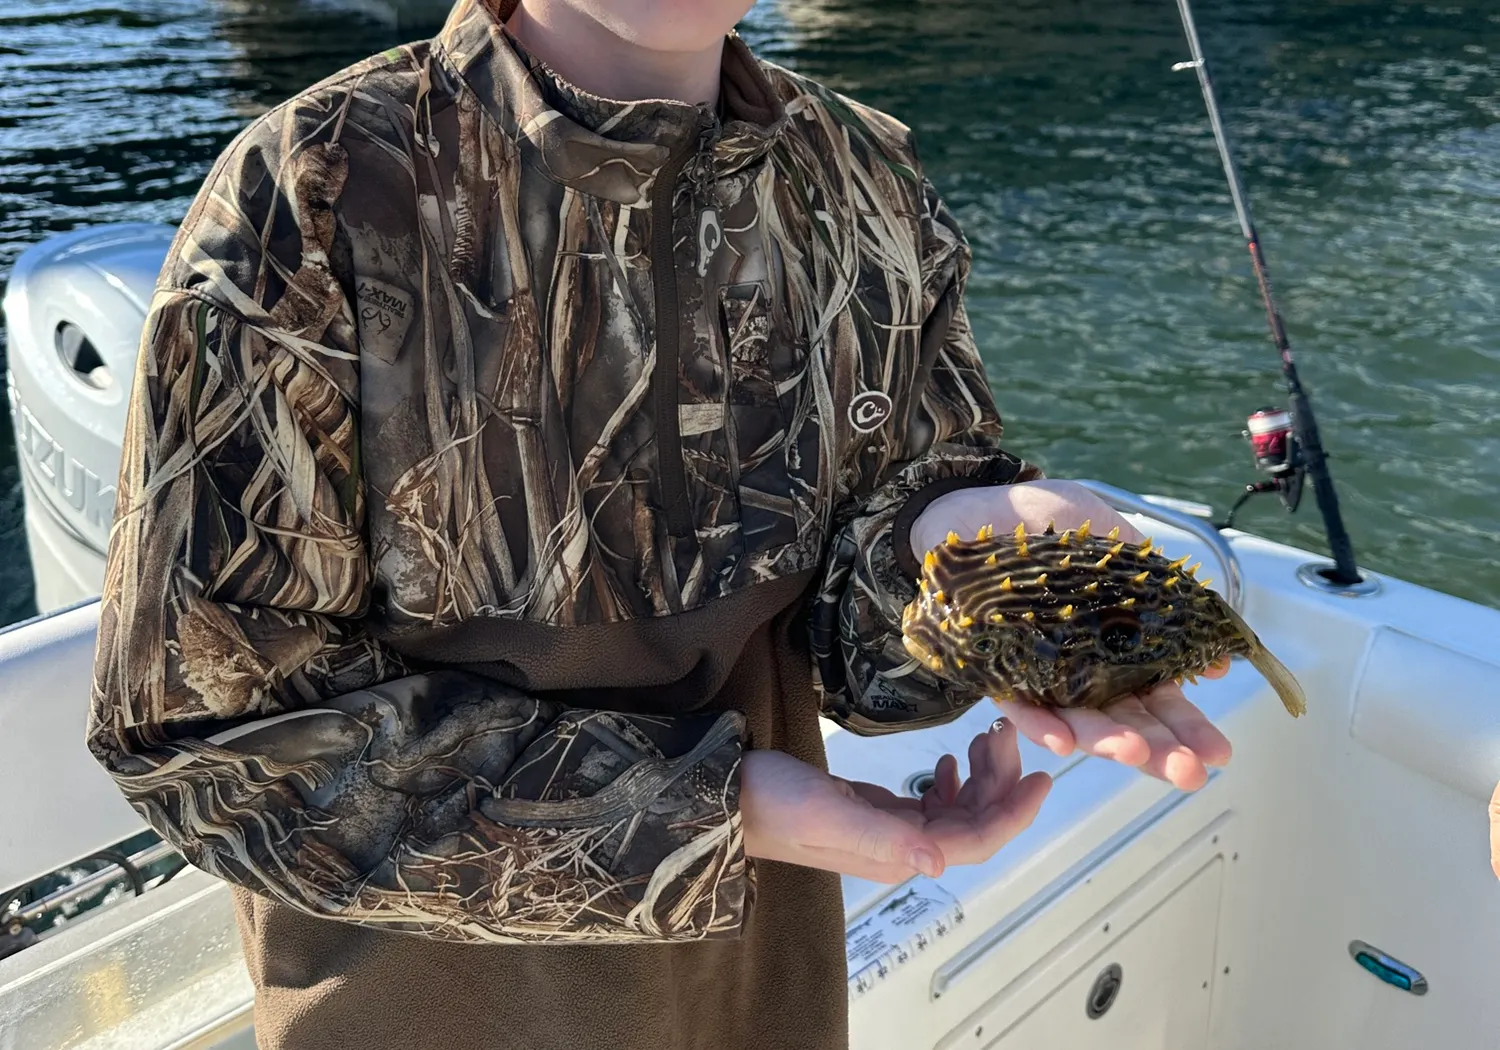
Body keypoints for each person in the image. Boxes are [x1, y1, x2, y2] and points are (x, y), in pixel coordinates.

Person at [85, 1, 1231, 1047]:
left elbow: (859, 651)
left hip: (767, 1003)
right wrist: (717, 805)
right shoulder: (310, 194)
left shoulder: (867, 177)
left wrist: (961, 553)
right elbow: (209, 738)